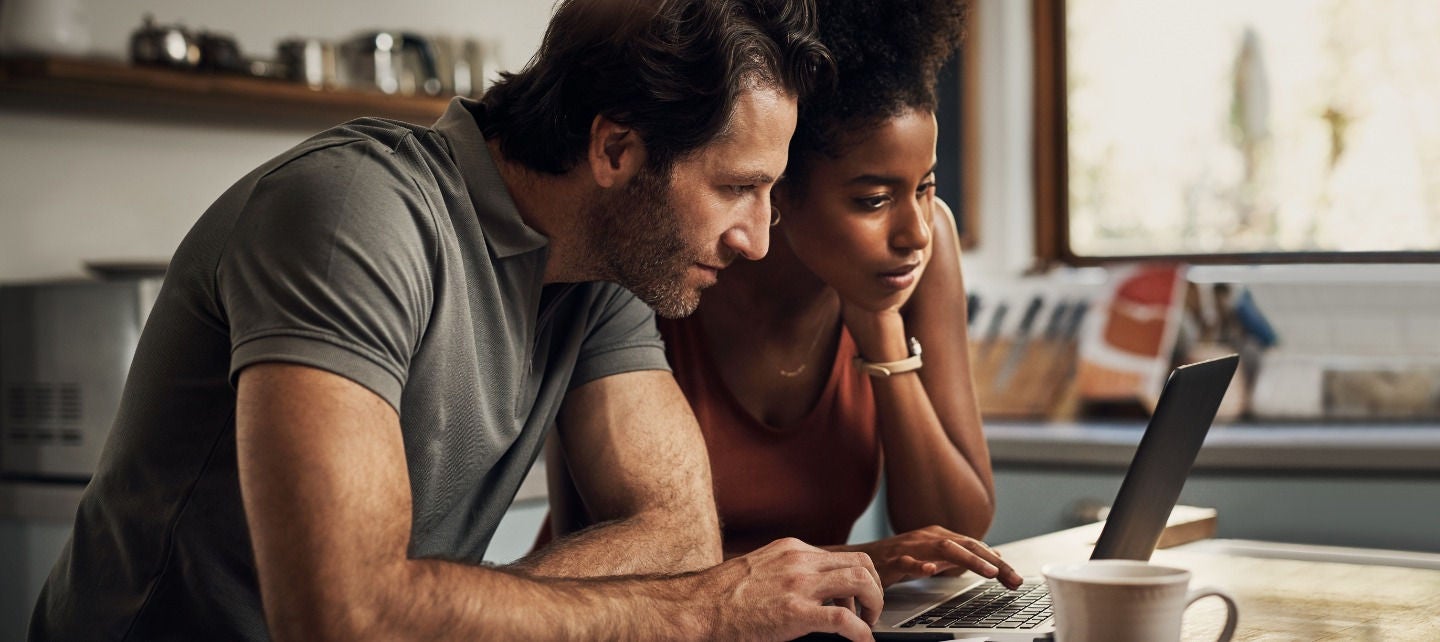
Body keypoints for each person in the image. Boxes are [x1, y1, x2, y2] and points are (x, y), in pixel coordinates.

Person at [29, 1, 890, 640]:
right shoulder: (353, 215)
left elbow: (677, 532)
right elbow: (344, 614)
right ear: (616, 151)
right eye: (738, 187)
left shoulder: (604, 270)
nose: (758, 237)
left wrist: (447, 613)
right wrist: (700, 615)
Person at [539, 0, 1024, 591]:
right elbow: (601, 550)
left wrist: (883, 334)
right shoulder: (663, 261)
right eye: (872, 200)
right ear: (779, 186)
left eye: (924, 188)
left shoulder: (920, 252)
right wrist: (860, 560)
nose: (915, 232)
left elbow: (954, 534)